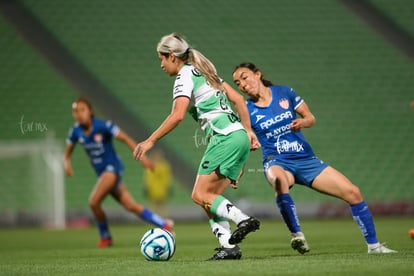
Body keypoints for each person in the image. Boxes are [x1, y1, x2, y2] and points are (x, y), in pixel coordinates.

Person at [232, 62, 397, 254]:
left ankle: (374, 246)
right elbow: (244, 140)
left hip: (306, 160)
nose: (242, 85)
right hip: (276, 161)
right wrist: (242, 161)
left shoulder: (285, 92)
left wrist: (304, 121)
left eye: (244, 77)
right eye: (237, 83)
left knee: (353, 192)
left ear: (257, 74)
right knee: (279, 181)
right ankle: (297, 236)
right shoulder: (246, 109)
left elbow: (310, 117)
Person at [133, 33, 261, 260]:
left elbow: (177, 115)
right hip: (237, 135)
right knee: (208, 198)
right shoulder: (206, 72)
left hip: (224, 138)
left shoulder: (184, 75)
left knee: (199, 194)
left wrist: (150, 140)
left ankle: (243, 219)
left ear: (172, 56)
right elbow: (239, 101)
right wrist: (248, 132)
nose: (161, 65)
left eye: (162, 59)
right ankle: (229, 247)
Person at [64, 97, 173, 248]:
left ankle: (105, 237)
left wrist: (143, 158)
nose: (79, 114)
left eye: (82, 110)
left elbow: (126, 138)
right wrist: (67, 161)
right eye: (75, 111)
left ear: (90, 111)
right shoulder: (75, 131)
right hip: (103, 174)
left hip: (112, 169)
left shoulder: (103, 126)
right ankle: (164, 223)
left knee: (94, 202)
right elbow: (69, 149)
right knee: (131, 206)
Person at [144, 149, 172, 217]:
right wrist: (147, 186)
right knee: (154, 204)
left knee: (162, 204)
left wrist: (168, 186)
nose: (158, 158)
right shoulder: (150, 165)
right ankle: (153, 218)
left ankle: (163, 218)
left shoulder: (165, 165)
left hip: (162, 187)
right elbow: (148, 177)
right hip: (153, 188)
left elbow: (168, 177)